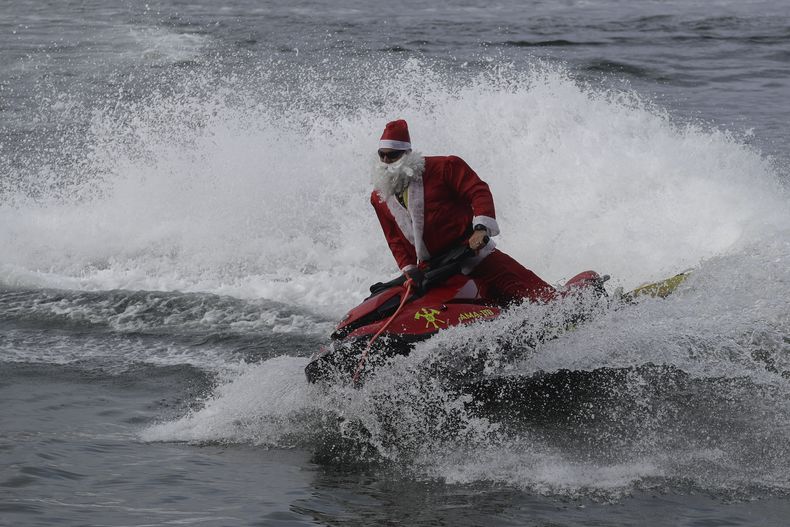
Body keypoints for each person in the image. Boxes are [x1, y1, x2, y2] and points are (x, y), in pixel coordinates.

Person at [370, 119, 558, 305]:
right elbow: (394, 239)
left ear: (407, 153)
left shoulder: (444, 167)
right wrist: (409, 269)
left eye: (392, 155)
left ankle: (559, 305)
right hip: (433, 270)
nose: (386, 161)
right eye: (382, 155)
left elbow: (478, 191)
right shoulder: (379, 197)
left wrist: (481, 229)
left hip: (472, 253)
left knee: (533, 294)